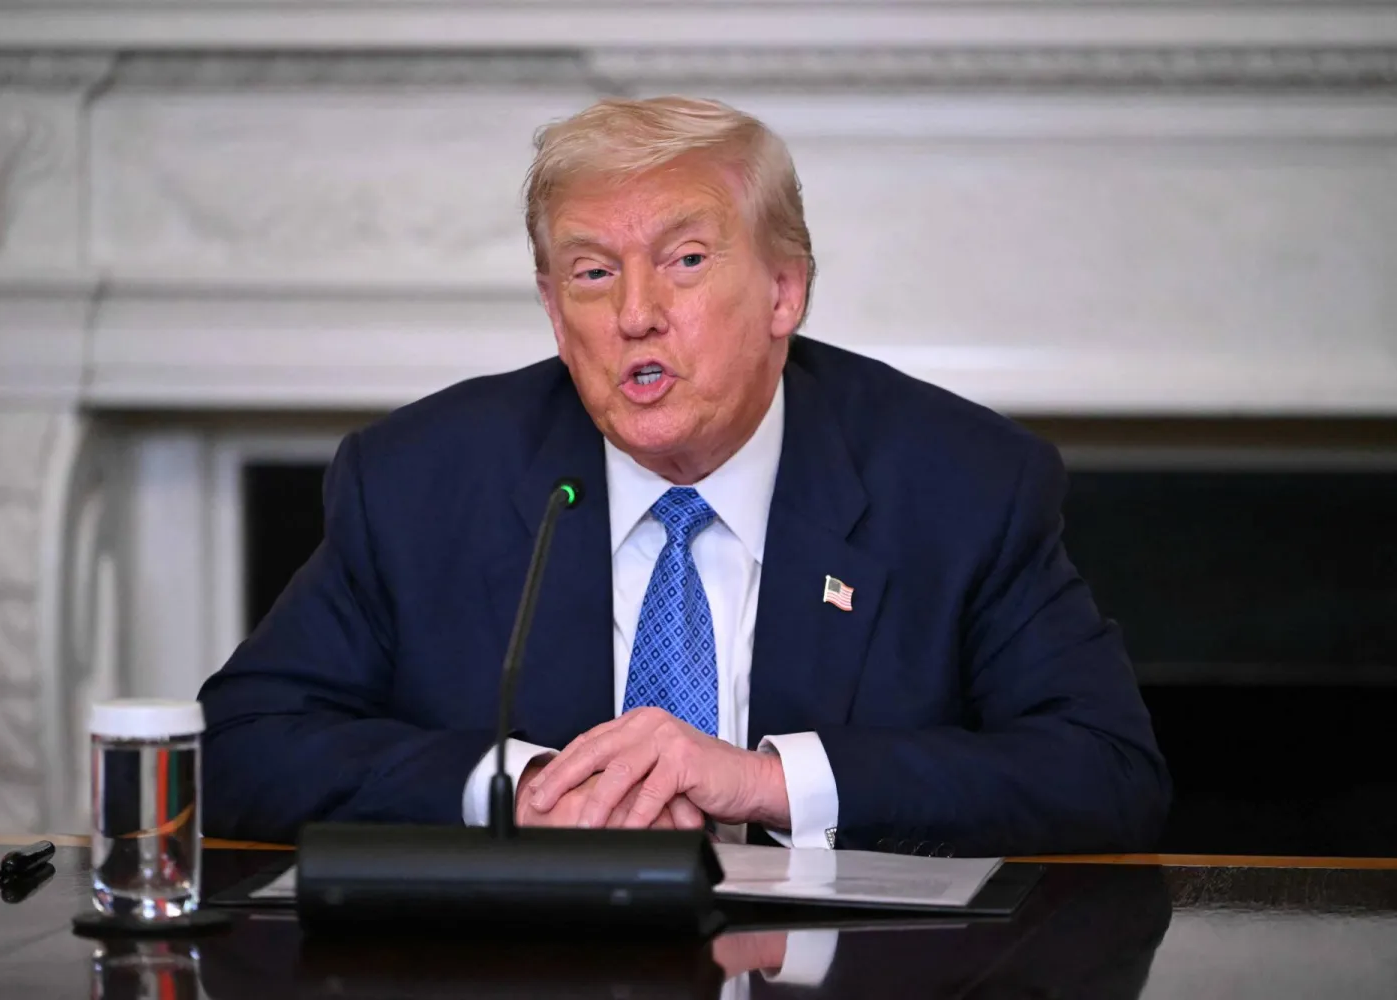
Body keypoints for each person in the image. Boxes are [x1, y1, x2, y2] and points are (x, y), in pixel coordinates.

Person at [198, 96, 1170, 855]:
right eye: (592, 273)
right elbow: (239, 745)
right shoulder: (420, 481)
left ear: (785, 289)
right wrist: (522, 788)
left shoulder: (960, 482)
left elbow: (1106, 772)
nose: (636, 314)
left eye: (687, 260)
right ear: (554, 311)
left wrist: (767, 783)